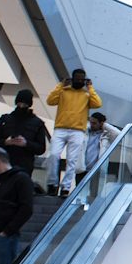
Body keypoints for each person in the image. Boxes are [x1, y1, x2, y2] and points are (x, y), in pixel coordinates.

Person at [46, 68, 102, 197]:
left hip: (77, 131)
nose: (79, 81)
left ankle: (65, 187)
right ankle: (52, 184)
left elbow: (98, 104)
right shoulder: (63, 91)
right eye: (77, 78)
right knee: (53, 155)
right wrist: (61, 85)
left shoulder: (86, 94)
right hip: (60, 128)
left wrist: (90, 88)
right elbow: (50, 101)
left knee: (72, 160)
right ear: (72, 78)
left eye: (82, 79)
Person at [0, 88, 50, 186]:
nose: (21, 106)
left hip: (24, 166)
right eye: (20, 103)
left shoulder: (37, 123)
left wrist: (26, 143)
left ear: (29, 105)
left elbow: (41, 148)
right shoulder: (5, 119)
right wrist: (6, 142)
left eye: (25, 104)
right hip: (3, 164)